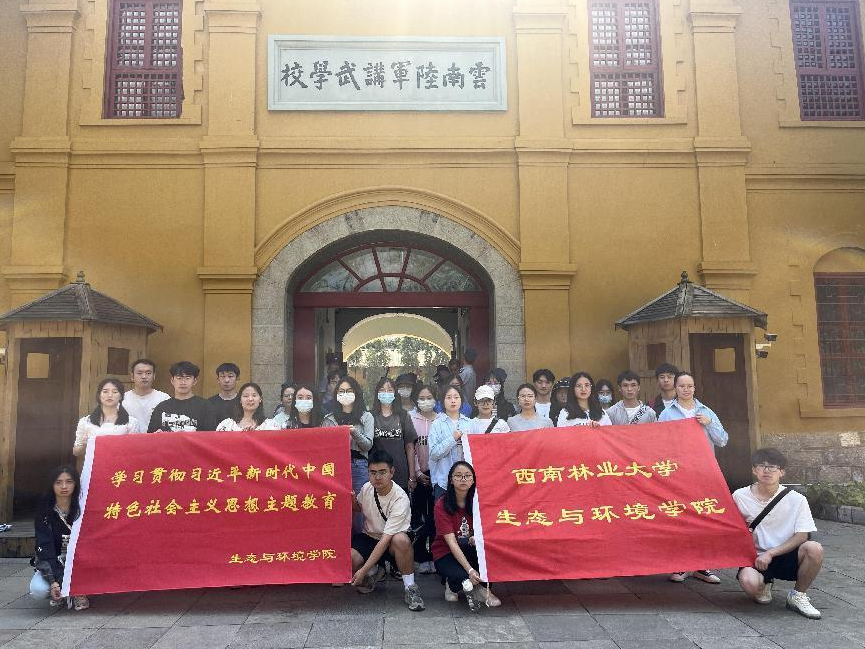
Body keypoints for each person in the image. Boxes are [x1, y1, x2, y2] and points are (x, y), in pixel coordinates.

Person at [733, 448, 823, 619]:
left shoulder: (797, 499)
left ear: (782, 472)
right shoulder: (739, 496)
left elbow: (802, 535)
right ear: (754, 470)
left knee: (814, 548)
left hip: (786, 554)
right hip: (755, 557)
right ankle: (764, 584)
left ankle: (798, 595)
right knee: (749, 583)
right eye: (762, 466)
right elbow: (730, 528)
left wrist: (771, 553)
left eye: (773, 467)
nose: (767, 471)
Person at [660, 370, 728, 584]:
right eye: (682, 386)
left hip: (703, 473)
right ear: (675, 388)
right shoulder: (667, 414)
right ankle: (681, 564)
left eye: (689, 386)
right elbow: (658, 444)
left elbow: (722, 440)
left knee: (702, 517)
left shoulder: (706, 411)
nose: (686, 390)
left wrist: (709, 423)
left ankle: (702, 565)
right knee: (680, 518)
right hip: (678, 474)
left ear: (694, 388)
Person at [349, 449, 425, 611]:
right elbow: (359, 508)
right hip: (370, 536)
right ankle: (375, 571)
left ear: (392, 472)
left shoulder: (400, 498)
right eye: (373, 472)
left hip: (391, 541)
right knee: (349, 559)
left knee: (401, 540)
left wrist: (362, 571)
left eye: (382, 472)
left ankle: (410, 587)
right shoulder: (367, 488)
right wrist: (351, 500)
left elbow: (385, 540)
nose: (377, 477)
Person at [432, 461, 501, 610]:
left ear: (473, 480)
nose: (463, 479)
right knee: (461, 577)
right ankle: (453, 584)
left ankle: (477, 586)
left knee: (487, 566)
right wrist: (469, 570)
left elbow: (489, 528)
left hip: (470, 547)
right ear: (451, 480)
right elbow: (451, 543)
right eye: (458, 476)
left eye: (467, 476)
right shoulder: (441, 504)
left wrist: (478, 537)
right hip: (446, 552)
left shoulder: (478, 501)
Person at [31, 466, 88, 610]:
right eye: (58, 482)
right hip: (55, 561)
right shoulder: (44, 512)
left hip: (81, 562)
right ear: (52, 485)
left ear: (75, 484)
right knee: (38, 590)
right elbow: (45, 549)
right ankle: (62, 589)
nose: (64, 486)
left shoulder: (84, 508)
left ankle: (76, 589)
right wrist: (53, 581)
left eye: (69, 481)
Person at [322, 375, 374, 532]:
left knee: (358, 507)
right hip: (335, 468)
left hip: (358, 465)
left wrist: (353, 432)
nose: (345, 394)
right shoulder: (329, 419)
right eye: (341, 391)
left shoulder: (366, 417)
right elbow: (323, 448)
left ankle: (358, 544)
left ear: (356, 393)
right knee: (336, 507)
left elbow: (367, 445)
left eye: (349, 390)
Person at [408, 384, 442, 574]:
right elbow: (410, 448)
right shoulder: (411, 419)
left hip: (438, 476)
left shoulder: (441, 420)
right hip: (420, 475)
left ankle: (436, 555)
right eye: (422, 398)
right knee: (420, 516)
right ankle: (421, 556)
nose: (426, 401)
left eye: (429, 397)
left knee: (436, 517)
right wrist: (417, 473)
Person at [370, 376, 418, 493]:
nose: (386, 393)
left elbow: (409, 447)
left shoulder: (403, 416)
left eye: (390, 390)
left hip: (400, 472)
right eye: (382, 390)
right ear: (377, 393)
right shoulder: (370, 416)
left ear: (395, 393)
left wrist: (412, 476)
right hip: (377, 474)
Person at [73, 378, 140, 456]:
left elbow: (134, 450)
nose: (109, 395)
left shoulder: (131, 422)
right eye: (105, 391)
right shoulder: (85, 421)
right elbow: (76, 452)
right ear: (99, 395)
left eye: (115, 392)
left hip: (121, 463)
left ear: (121, 396)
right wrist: (85, 446)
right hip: (95, 463)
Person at [429, 385, 473, 499]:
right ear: (443, 401)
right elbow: (433, 454)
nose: (453, 400)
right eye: (448, 397)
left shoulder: (470, 423)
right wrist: (452, 439)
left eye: (456, 397)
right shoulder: (437, 424)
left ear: (461, 400)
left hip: (467, 482)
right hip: (444, 483)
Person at [147, 361, 216, 432]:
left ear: (194, 381)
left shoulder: (205, 406)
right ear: (172, 380)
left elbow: (210, 436)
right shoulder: (161, 408)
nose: (183, 382)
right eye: (179, 378)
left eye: (187, 378)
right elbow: (151, 436)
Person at [122, 359, 170, 432]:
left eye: (148, 373)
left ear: (154, 376)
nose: (144, 376)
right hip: (130, 438)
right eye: (139, 373)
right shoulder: (122, 399)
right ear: (132, 376)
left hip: (155, 438)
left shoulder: (164, 398)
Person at [215, 382, 280, 431]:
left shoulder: (270, 425)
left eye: (254, 395)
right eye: (246, 396)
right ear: (240, 400)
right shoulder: (227, 425)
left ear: (260, 399)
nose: (250, 399)